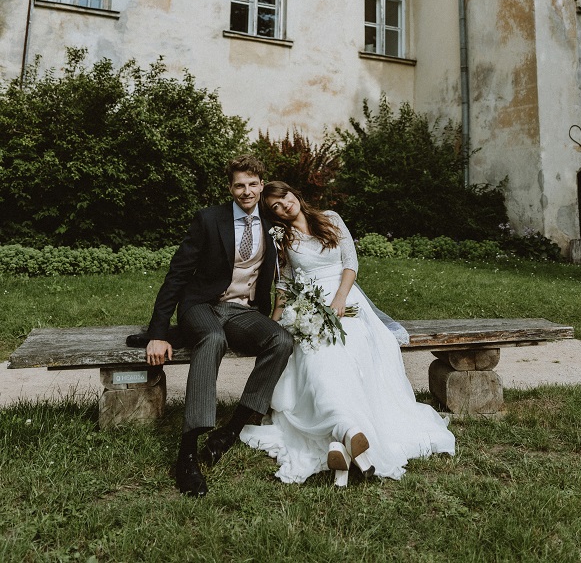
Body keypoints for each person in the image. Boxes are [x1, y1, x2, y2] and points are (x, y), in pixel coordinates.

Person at [241, 181, 455, 484]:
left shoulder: (330, 219)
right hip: (308, 307)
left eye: (284, 198)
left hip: (347, 302)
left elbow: (350, 262)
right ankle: (349, 434)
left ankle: (344, 433)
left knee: (348, 358)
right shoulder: (283, 238)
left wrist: (340, 297)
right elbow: (285, 284)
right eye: (275, 206)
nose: (283, 206)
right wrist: (275, 322)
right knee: (318, 364)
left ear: (295, 195)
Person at [145, 156, 293, 497]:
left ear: (261, 185)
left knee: (281, 341)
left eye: (253, 184)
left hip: (242, 310)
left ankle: (233, 429)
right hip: (201, 305)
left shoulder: (272, 222)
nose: (247, 191)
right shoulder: (209, 219)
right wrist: (157, 332)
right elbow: (177, 275)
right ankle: (188, 452)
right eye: (239, 185)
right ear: (230, 187)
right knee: (212, 339)